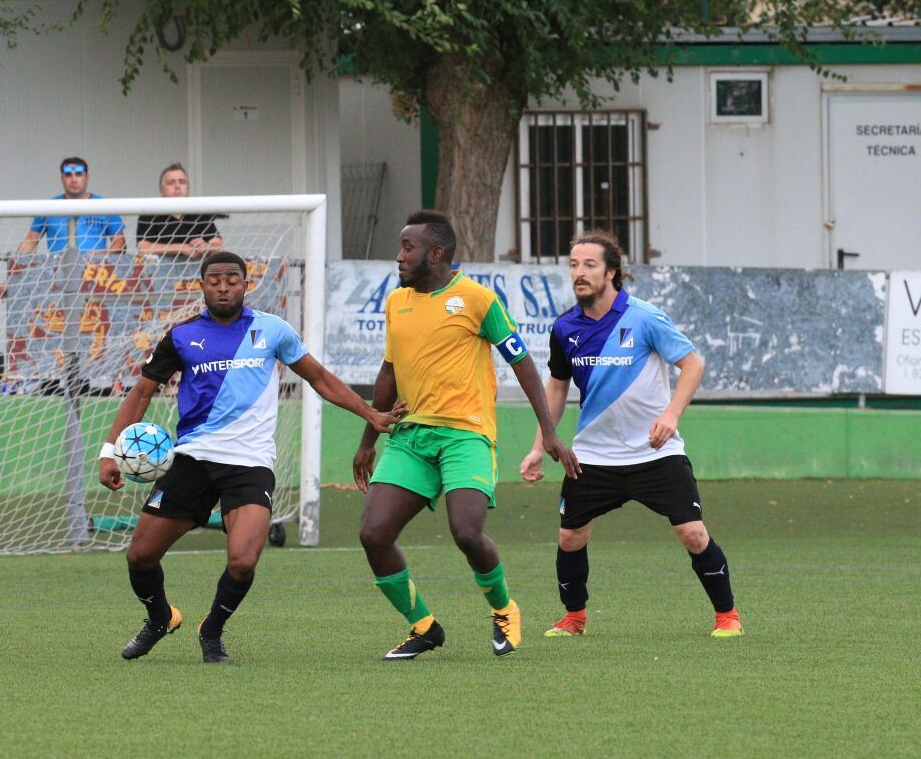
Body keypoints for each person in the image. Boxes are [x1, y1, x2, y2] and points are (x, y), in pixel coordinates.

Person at [99, 250, 404, 664]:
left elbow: (319, 378)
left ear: (246, 284)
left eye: (232, 279)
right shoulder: (181, 336)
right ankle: (159, 618)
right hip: (191, 458)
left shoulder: (272, 330)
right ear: (202, 285)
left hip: (250, 463)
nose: (223, 287)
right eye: (214, 280)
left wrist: (370, 412)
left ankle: (212, 631)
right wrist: (109, 451)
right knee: (140, 555)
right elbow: (141, 392)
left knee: (243, 561)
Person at [354, 210, 579, 661]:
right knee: (374, 533)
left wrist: (548, 434)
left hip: (465, 437)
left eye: (407, 248)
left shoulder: (477, 299)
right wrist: (368, 438)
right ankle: (423, 627)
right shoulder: (398, 302)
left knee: (467, 531)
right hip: (410, 436)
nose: (398, 257)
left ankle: (504, 610)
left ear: (435, 253)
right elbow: (388, 372)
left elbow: (522, 362)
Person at [520, 231, 744, 639]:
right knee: (570, 537)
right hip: (593, 455)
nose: (579, 273)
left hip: (655, 453)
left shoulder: (644, 317)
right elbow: (556, 387)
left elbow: (693, 365)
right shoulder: (564, 327)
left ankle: (727, 616)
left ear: (613, 271)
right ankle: (574, 618)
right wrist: (540, 445)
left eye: (589, 265)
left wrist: (671, 415)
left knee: (693, 533)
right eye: (573, 264)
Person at [15, 156, 126, 254]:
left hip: (95, 273)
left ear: (87, 178)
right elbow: (30, 241)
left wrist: (97, 256)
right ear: (62, 179)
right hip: (56, 273)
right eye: (68, 175)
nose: (73, 180)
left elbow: (119, 242)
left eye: (78, 174)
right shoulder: (48, 208)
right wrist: (16, 266)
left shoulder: (105, 206)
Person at [136, 163, 223, 257]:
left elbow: (217, 244)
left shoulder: (199, 212)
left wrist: (205, 246)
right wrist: (181, 248)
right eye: (171, 183)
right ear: (161, 191)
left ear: (188, 188)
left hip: (197, 269)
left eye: (182, 182)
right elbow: (143, 247)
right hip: (160, 270)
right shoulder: (150, 214)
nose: (177, 186)